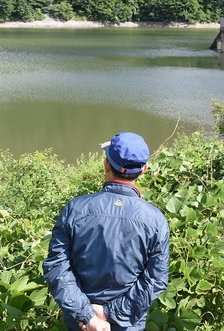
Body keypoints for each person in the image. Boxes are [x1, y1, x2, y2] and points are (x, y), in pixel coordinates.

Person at [43, 132, 170, 331]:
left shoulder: (75, 209)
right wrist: (111, 313)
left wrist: (89, 316)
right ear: (144, 169)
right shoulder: (155, 220)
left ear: (106, 165)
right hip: (127, 322)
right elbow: (155, 280)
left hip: (81, 322)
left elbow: (57, 267)